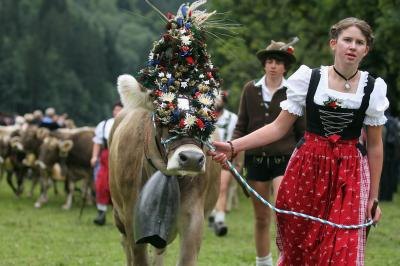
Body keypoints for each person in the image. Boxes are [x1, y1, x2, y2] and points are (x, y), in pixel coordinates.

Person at [210, 17, 387, 265]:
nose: (352, 46)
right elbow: (278, 127)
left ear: (366, 50)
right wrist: (232, 146)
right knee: (302, 249)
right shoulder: (309, 79)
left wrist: (373, 197)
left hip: (350, 174)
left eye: (359, 42)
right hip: (307, 169)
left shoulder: (373, 88)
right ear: (333, 44)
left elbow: (375, 146)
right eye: (347, 40)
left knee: (342, 251)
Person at [228, 39, 305, 266]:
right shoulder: (250, 89)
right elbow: (241, 124)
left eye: (278, 62)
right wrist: (232, 148)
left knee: (282, 212)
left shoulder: (294, 91)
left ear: (285, 67)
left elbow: (302, 131)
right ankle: (263, 262)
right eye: (269, 61)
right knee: (261, 218)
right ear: (264, 65)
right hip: (257, 160)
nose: (273, 66)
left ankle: (287, 258)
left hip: (285, 160)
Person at [209, 90, 239, 237]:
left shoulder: (232, 118)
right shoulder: (205, 117)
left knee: (222, 186)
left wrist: (234, 156)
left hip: (226, 157)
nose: (217, 101)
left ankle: (220, 220)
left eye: (220, 98)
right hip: (207, 158)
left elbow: (237, 136)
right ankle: (211, 213)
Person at [91, 101, 123, 225]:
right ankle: (101, 214)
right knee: (102, 184)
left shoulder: (129, 124)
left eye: (120, 109)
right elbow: (97, 143)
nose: (118, 112)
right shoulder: (104, 125)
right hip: (106, 156)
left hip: (122, 156)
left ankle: (121, 215)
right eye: (116, 110)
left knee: (120, 185)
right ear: (113, 111)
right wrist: (94, 157)